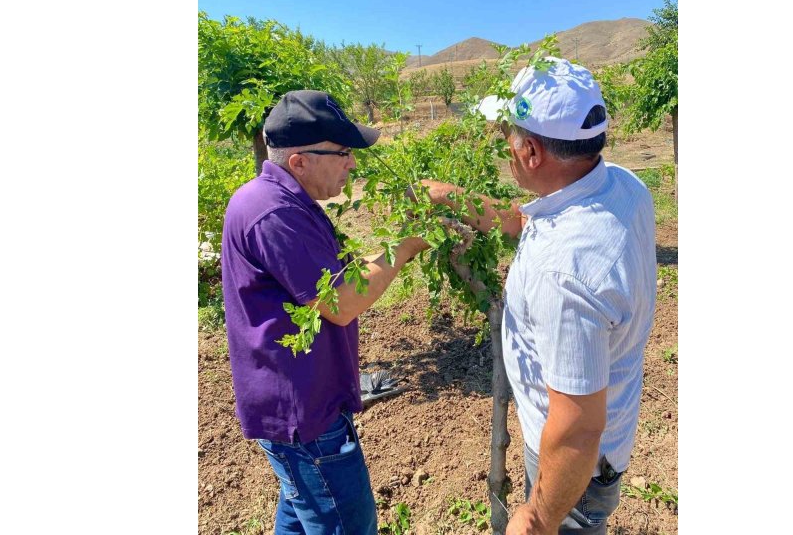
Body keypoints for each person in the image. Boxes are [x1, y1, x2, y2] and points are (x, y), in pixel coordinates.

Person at [422, 58, 657, 535]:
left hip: (573, 474)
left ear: (530, 151)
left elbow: (576, 431)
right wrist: (451, 197)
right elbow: (532, 221)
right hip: (593, 451)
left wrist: (537, 517)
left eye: (508, 137)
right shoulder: (619, 185)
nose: (505, 147)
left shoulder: (564, 272)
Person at [220, 89, 429, 535]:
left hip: (300, 398)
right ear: (300, 161)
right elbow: (341, 303)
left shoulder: (282, 200)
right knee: (346, 524)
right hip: (304, 411)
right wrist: (408, 244)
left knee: (300, 514)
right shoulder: (275, 213)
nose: (352, 164)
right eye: (342, 153)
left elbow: (336, 279)